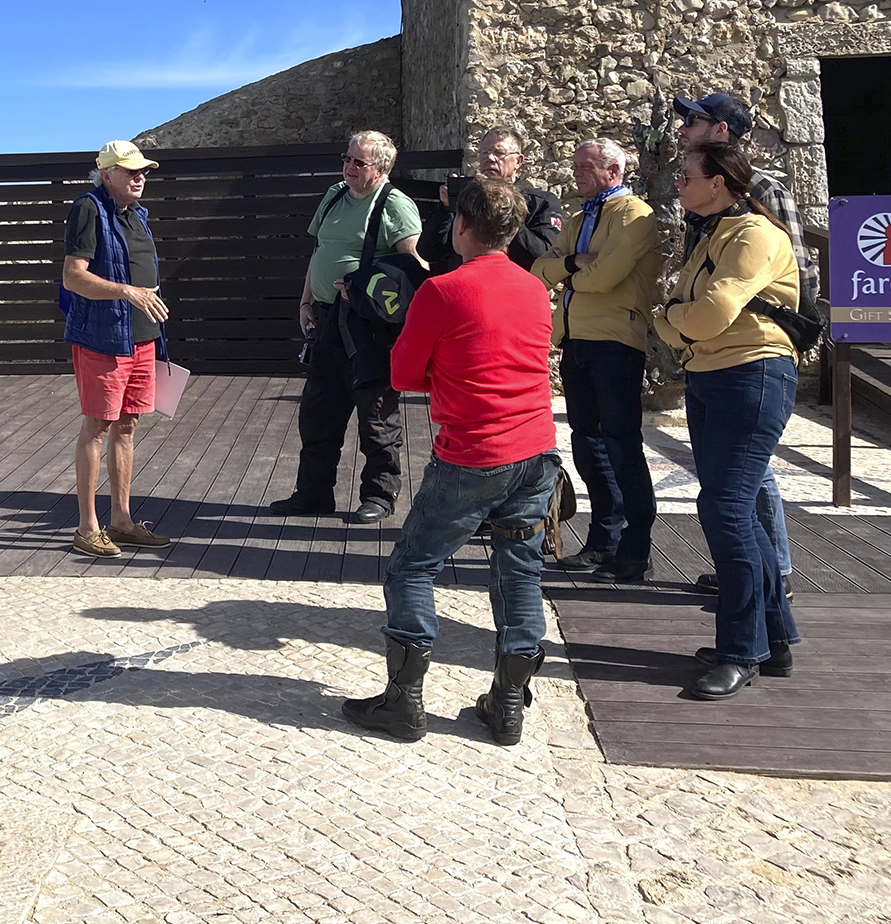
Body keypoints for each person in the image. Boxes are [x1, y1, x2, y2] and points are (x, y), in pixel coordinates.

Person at [341, 178, 560, 746]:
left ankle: (403, 702)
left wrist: (446, 376)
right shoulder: (534, 289)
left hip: (473, 453)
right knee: (520, 571)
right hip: (536, 450)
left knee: (413, 567)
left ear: (461, 225)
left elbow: (401, 373)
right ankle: (506, 706)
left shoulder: (443, 290)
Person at [655, 142, 803, 699]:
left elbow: (705, 315)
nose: (679, 184)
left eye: (686, 176)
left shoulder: (754, 234)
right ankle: (774, 639)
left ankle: (741, 648)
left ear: (717, 182)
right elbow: (686, 315)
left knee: (725, 509)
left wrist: (674, 320)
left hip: (752, 376)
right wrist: (679, 320)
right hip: (712, 375)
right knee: (734, 508)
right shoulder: (713, 235)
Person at [675, 91, 812, 598]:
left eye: (694, 120)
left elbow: (797, 266)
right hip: (711, 350)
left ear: (721, 132)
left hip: (750, 352)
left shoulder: (761, 190)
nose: (684, 128)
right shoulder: (701, 193)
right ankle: (750, 571)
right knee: (732, 478)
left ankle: (771, 572)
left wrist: (794, 333)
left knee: (748, 475)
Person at [268, 131, 424, 524]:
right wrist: (305, 301)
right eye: (346, 158)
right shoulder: (335, 195)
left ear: (381, 168)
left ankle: (379, 496)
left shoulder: (395, 205)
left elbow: (412, 271)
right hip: (326, 318)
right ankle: (313, 494)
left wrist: (366, 290)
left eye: (359, 162)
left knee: (376, 415)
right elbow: (319, 251)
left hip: (367, 326)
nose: (348, 167)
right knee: (318, 412)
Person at [532, 139, 663, 581]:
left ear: (613, 171)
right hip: (576, 342)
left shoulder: (635, 215)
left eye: (585, 167)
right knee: (588, 447)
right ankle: (604, 540)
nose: (576, 173)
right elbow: (539, 271)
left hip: (615, 342)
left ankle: (636, 549)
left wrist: (567, 271)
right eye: (575, 165)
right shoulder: (578, 219)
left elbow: (605, 277)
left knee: (622, 446)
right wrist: (576, 261)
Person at [61, 141, 175, 559]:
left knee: (127, 425)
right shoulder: (88, 209)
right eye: (130, 171)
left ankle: (122, 521)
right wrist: (128, 292)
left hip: (143, 337)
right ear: (106, 174)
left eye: (143, 170)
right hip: (103, 337)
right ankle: (87, 527)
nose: (140, 177)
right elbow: (74, 277)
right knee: (97, 427)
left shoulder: (136, 214)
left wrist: (141, 301)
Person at [418, 127, 564, 275]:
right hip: (462, 282)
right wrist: (446, 209)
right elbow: (427, 252)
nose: (490, 158)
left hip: (513, 283)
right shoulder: (468, 198)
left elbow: (542, 258)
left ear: (518, 161)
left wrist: (507, 213)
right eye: (484, 152)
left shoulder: (541, 203)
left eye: (499, 153)